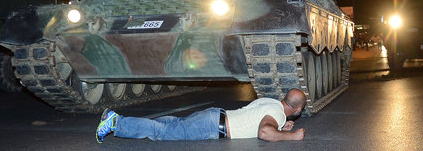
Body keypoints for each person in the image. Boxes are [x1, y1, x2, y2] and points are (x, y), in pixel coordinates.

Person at [96, 88, 307, 143]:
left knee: (171, 124)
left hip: (215, 115)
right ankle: (116, 122)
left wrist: (280, 127)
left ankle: (117, 120)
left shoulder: (272, 103)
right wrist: (292, 135)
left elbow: (259, 120)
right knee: (162, 133)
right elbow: (264, 132)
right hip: (212, 126)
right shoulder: (277, 114)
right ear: (297, 110)